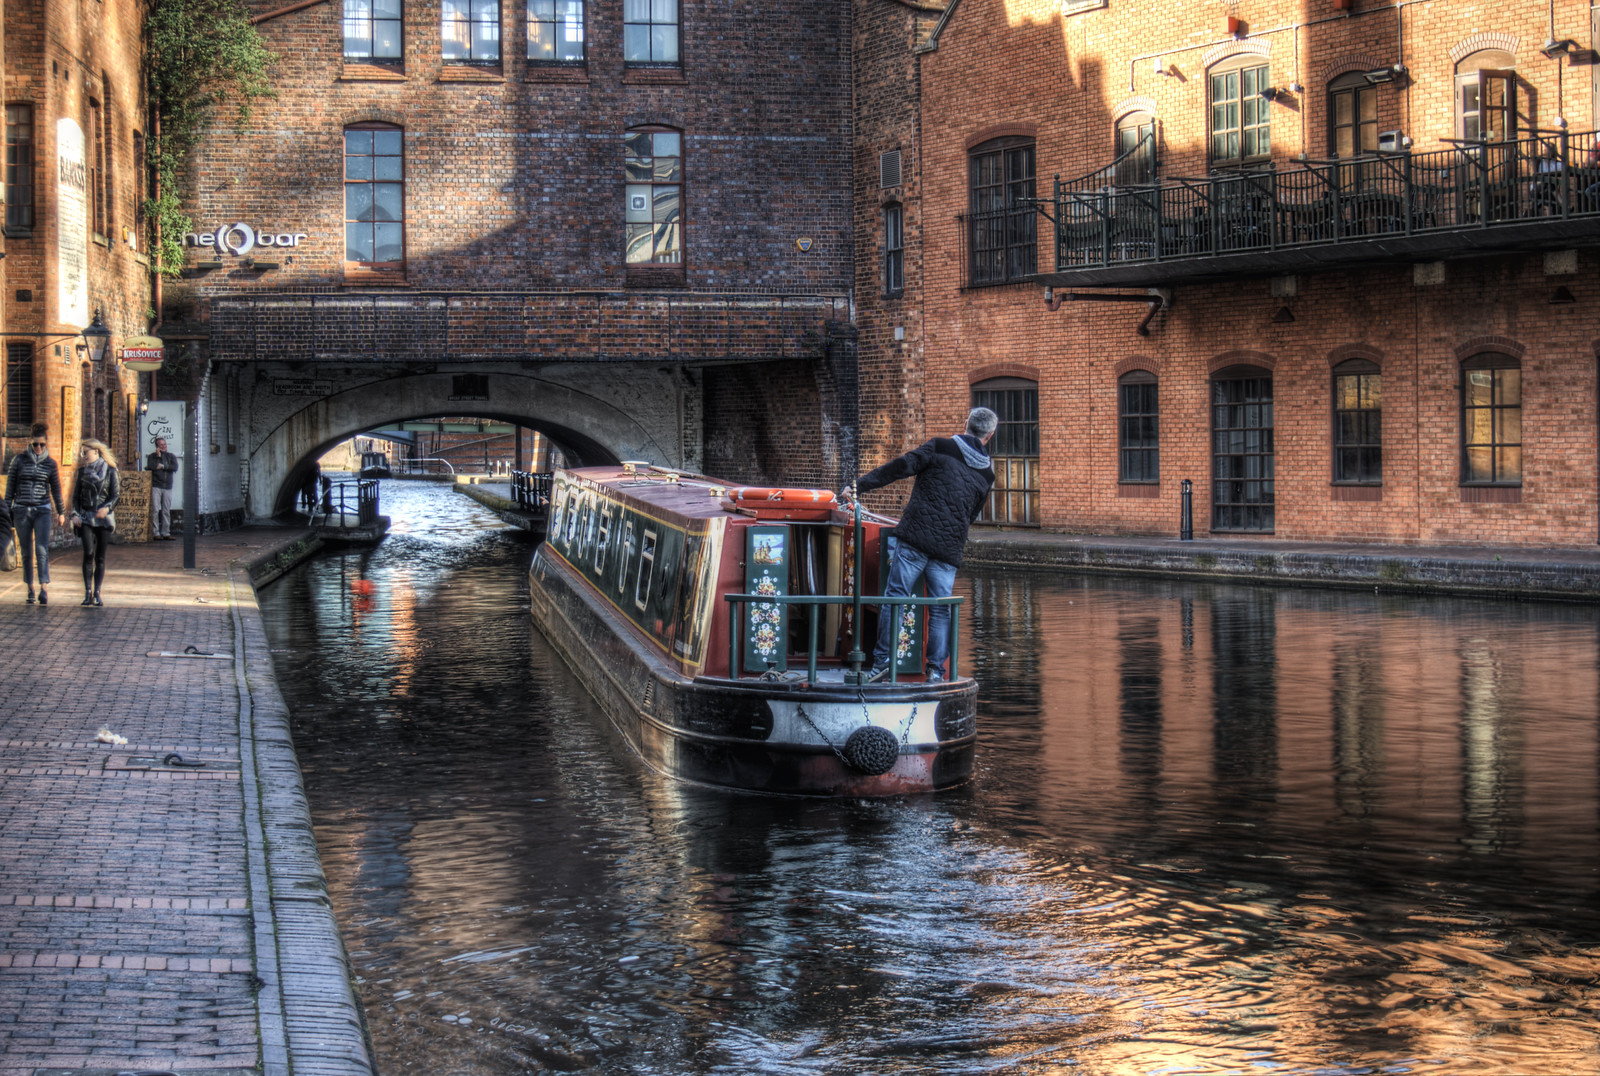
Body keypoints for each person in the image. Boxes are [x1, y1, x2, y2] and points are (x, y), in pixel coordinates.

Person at [846, 406, 997, 684]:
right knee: (940, 609)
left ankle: (882, 664)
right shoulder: (988, 474)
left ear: (966, 423)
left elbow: (901, 467)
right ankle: (936, 672)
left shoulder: (939, 447)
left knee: (896, 598)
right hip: (948, 549)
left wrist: (859, 486)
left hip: (916, 538)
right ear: (989, 435)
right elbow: (972, 515)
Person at [4, 423, 66, 605]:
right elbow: (10, 489)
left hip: (43, 509)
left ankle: (44, 587)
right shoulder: (19, 461)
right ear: (30, 444)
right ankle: (30, 587)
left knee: (41, 549)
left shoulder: (50, 464)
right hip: (22, 508)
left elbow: (56, 489)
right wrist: (6, 511)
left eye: (41, 445)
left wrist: (61, 512)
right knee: (25, 551)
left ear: (46, 444)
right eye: (35, 445)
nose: (38, 448)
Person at [69, 439, 120, 607]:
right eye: (82, 453)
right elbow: (75, 497)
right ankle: (87, 592)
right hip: (86, 517)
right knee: (88, 552)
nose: (83, 456)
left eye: (86, 452)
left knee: (100, 556)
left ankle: (97, 592)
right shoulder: (82, 472)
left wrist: (107, 508)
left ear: (96, 452)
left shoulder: (111, 471)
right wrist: (75, 514)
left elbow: (115, 495)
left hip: (103, 518)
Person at [145, 436, 178, 540]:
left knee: (166, 510)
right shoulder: (152, 456)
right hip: (156, 485)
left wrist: (163, 466)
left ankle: (166, 532)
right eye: (161, 445)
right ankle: (156, 532)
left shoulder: (171, 456)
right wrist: (158, 457)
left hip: (167, 486)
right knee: (155, 509)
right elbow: (151, 466)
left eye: (164, 444)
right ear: (157, 447)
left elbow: (175, 467)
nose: (164, 446)